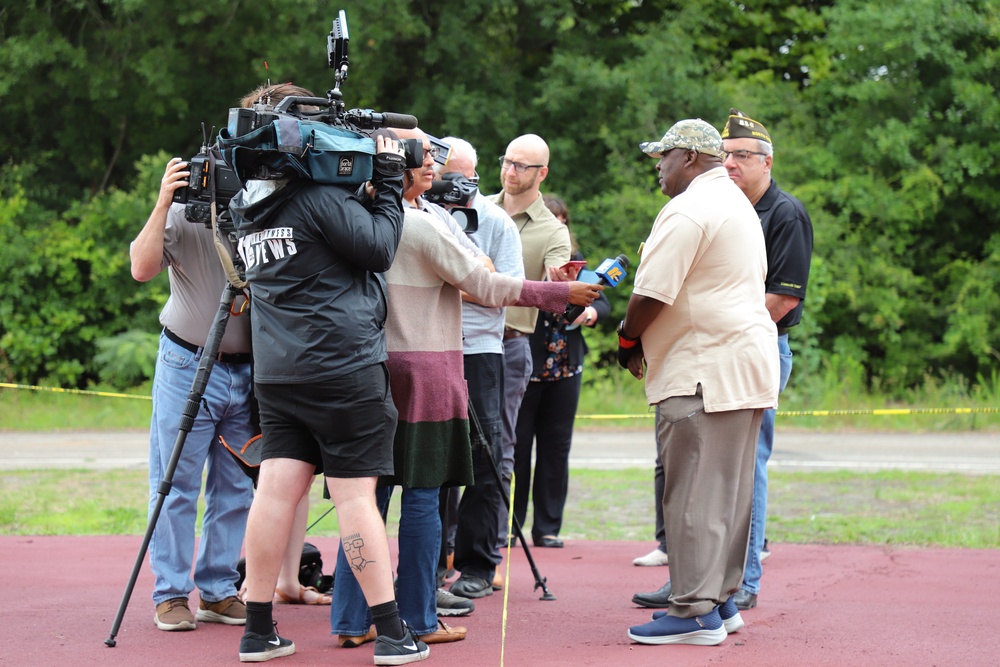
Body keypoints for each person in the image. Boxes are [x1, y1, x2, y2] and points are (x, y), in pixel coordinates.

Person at [330, 128, 602, 646]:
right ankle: (418, 619)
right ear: (393, 166)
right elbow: (486, 285)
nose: (433, 163)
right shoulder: (418, 223)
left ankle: (350, 619)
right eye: (420, 155)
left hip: (368, 371)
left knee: (363, 500)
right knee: (423, 498)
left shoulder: (352, 216)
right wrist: (560, 291)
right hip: (427, 372)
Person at [230, 101, 429, 664]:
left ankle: (258, 628)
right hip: (343, 368)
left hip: (278, 373)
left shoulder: (250, 207)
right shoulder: (319, 201)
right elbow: (380, 248)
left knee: (274, 492)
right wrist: (389, 180)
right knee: (354, 494)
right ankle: (391, 632)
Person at [618, 119, 778, 646]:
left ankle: (692, 613)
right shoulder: (735, 202)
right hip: (744, 364)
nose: (658, 170)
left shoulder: (688, 208)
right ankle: (722, 598)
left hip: (703, 368)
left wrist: (626, 339)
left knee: (691, 493)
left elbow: (652, 293)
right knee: (729, 493)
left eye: (662, 158)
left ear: (687, 157)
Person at [131, 159, 255, 633]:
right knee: (174, 483)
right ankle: (170, 593)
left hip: (248, 371)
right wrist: (165, 200)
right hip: (187, 362)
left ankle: (220, 590)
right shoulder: (183, 213)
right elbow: (141, 268)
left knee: (236, 486)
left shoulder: (261, 214)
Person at [720, 108, 813, 608]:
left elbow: (783, 299)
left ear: (767, 161)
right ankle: (702, 576)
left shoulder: (785, 214)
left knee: (748, 465)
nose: (730, 164)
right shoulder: (727, 209)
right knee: (713, 469)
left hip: (759, 349)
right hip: (720, 351)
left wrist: (719, 325)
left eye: (741, 156)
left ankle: (745, 581)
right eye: (725, 155)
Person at [433, 137, 526, 600]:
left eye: (461, 176)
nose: (452, 184)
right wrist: (472, 280)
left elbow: (507, 289)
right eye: (442, 172)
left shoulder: (495, 222)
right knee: (428, 457)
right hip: (429, 347)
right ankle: (429, 564)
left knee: (485, 457)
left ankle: (477, 563)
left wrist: (453, 283)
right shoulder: (421, 213)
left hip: (481, 350)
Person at [510, 195, 610, 549]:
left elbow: (603, 300)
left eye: (563, 221)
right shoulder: (524, 265)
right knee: (517, 449)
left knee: (556, 450)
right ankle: (511, 526)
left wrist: (592, 314)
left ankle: (548, 527)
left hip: (566, 369)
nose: (559, 227)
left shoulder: (579, 268)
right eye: (553, 221)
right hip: (527, 370)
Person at [488, 134, 572, 555]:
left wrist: (561, 288)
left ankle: (489, 552)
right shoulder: (476, 208)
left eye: (522, 165)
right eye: (507, 161)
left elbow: (557, 288)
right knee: (452, 450)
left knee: (502, 451)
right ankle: (445, 551)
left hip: (510, 344)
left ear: (543, 173)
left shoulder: (553, 231)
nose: (510, 171)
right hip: (460, 340)